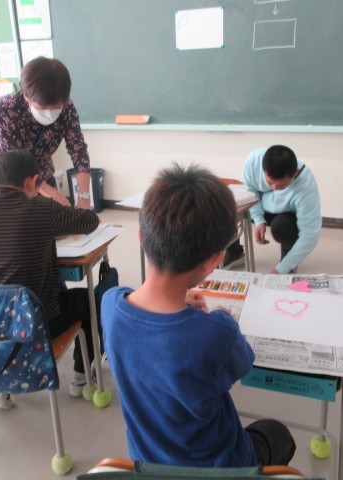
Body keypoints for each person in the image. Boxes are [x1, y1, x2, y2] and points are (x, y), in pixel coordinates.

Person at [102, 164, 296, 467]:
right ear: (214, 262)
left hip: (149, 465)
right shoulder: (216, 333)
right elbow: (243, 363)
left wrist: (178, 300)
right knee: (278, 434)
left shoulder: (110, 304)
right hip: (221, 469)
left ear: (141, 236)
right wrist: (223, 319)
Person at [0, 150, 100, 408]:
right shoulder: (42, 208)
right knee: (90, 300)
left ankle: (1, 384)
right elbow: (89, 221)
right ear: (33, 183)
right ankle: (81, 377)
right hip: (39, 323)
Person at [0, 56, 93, 209]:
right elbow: (15, 162)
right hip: (6, 180)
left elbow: (78, 149)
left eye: (56, 108)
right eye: (42, 108)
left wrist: (84, 196)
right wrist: (55, 196)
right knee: (13, 222)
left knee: (53, 219)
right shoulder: (6, 109)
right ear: (26, 96)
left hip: (42, 173)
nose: (49, 113)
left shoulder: (67, 107)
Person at [223, 145, 321, 274]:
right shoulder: (254, 161)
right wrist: (259, 220)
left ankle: (288, 262)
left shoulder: (306, 187)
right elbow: (249, 193)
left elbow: (310, 236)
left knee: (282, 227)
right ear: (263, 170)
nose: (274, 188)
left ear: (295, 173)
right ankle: (234, 253)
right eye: (269, 183)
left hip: (286, 213)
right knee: (226, 207)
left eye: (282, 185)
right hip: (260, 203)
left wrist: (280, 269)